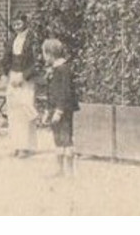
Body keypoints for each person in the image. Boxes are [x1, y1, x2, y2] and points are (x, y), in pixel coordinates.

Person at [1, 13, 39, 158]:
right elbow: (5, 58)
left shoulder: (32, 40)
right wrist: (5, 74)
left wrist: (24, 76)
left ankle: (26, 146)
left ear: (25, 23)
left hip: (26, 79)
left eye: (19, 23)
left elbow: (37, 62)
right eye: (14, 24)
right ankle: (15, 145)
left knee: (25, 111)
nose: (17, 26)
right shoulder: (12, 40)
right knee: (13, 112)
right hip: (13, 77)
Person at [40, 38, 78, 178]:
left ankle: (70, 171)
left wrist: (59, 110)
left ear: (50, 54)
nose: (44, 57)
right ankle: (60, 169)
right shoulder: (55, 69)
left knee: (66, 138)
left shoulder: (64, 69)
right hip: (54, 109)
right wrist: (47, 111)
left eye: (44, 54)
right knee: (57, 138)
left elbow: (65, 92)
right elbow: (51, 93)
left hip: (64, 109)